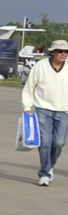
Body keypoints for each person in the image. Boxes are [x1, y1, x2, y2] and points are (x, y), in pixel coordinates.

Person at [21, 38, 68, 185]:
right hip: (43, 109)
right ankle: (44, 173)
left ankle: (50, 165)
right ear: (52, 52)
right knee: (45, 142)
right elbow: (29, 87)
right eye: (60, 51)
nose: (63, 54)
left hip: (63, 110)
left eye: (66, 51)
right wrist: (27, 107)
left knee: (59, 143)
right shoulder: (40, 66)